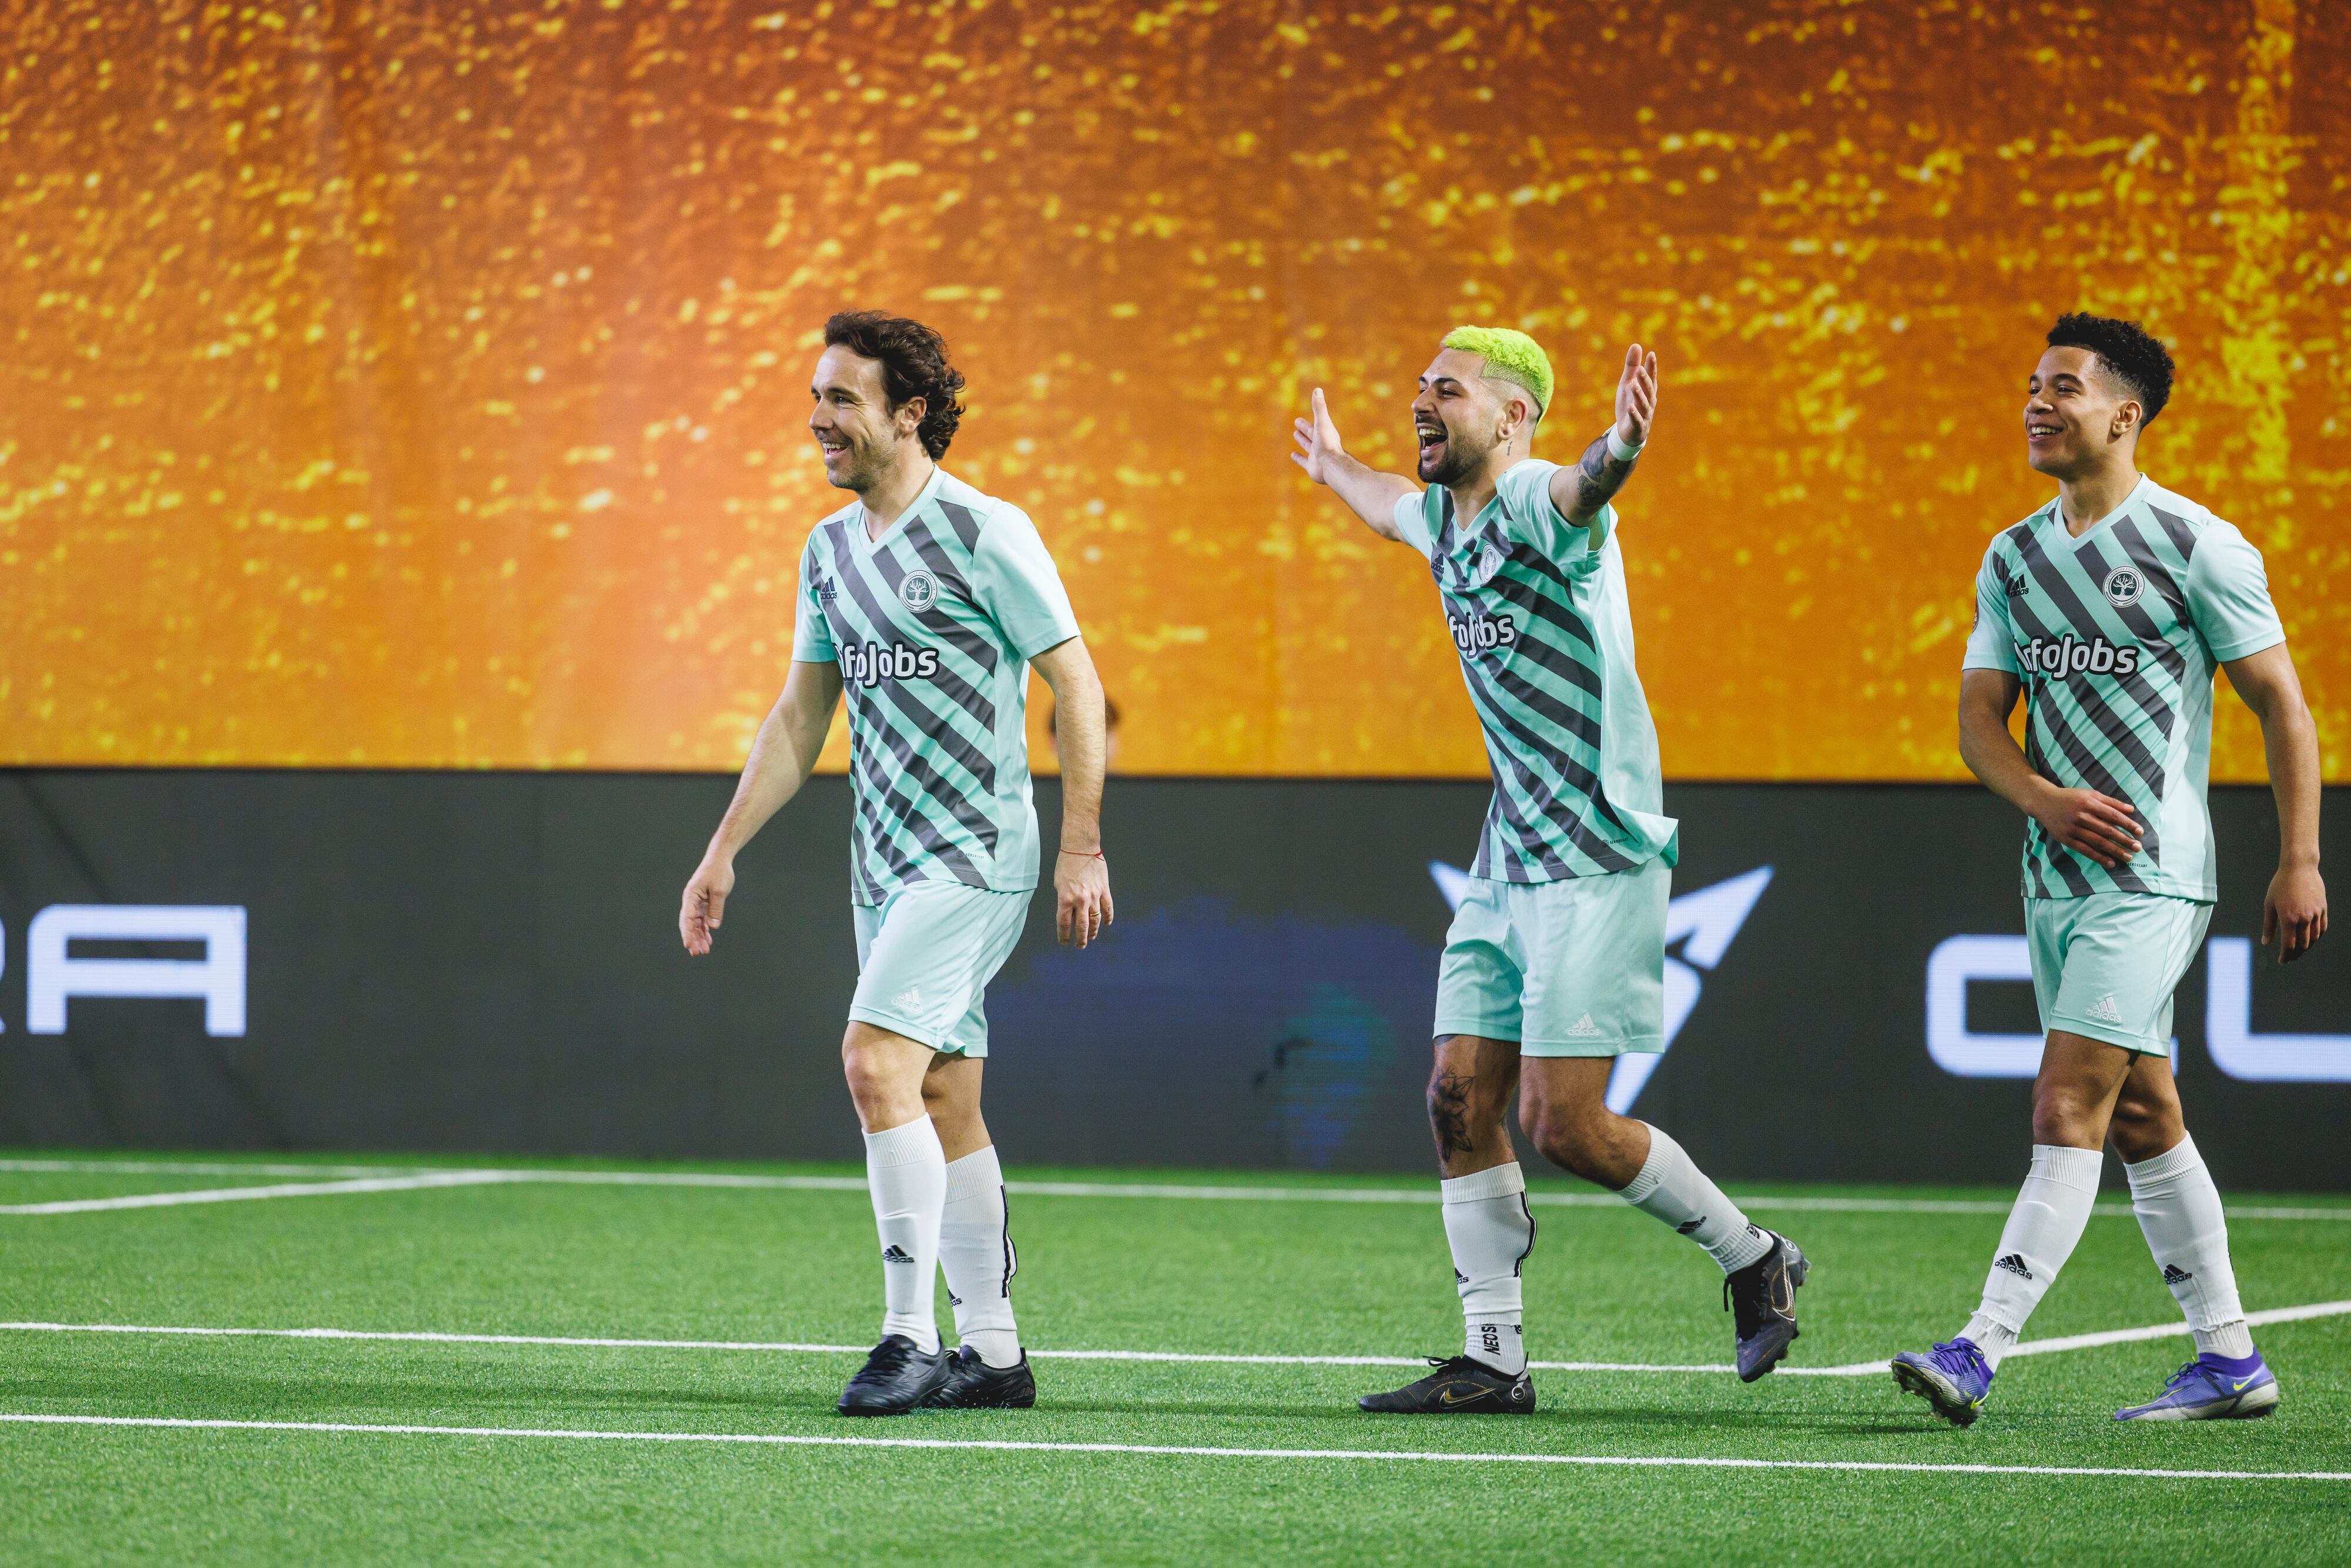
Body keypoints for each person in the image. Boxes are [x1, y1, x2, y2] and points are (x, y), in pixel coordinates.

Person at [1291, 327, 1809, 1415]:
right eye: (1420, 384)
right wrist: (1332, 464)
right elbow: (1388, 501)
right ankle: (1493, 1359)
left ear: (1512, 417)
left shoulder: (1531, 501)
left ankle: (1753, 1255)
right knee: (1455, 1098)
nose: (1422, 401)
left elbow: (1585, 487)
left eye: (1447, 390)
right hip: (1507, 856)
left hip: (1594, 854)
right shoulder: (1444, 519)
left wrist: (1622, 445)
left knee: (1566, 1125)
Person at [1891, 313, 2327, 1427]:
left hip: (2153, 873)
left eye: (2064, 389)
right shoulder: (2014, 556)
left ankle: (1979, 1346)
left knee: (2066, 1098)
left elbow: (2282, 705)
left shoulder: (2197, 545)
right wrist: (2043, 801)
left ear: (2125, 415)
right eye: (2033, 386)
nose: (2037, 404)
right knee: (2142, 1115)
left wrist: (2300, 859)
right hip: (2055, 878)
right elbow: (1978, 722)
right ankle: (2231, 1360)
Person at [679, 310, 1114, 1416]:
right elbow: (800, 717)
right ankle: (997, 1355)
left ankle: (909, 1337)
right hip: (882, 861)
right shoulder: (827, 552)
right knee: (940, 1092)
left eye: (842, 399)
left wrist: (1081, 847)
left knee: (873, 1063)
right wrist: (723, 849)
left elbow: (1076, 684)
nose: (818, 420)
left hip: (974, 854)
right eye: (815, 398)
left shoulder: (984, 530)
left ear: (909, 413)